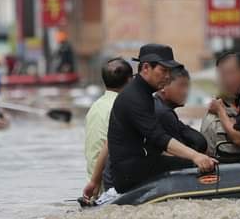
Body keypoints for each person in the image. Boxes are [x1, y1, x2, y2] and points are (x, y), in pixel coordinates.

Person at [85, 44, 217, 198]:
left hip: (136, 167)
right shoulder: (135, 97)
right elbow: (158, 137)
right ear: (146, 68)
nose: (168, 76)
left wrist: (94, 182)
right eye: (163, 70)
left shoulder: (142, 94)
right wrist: (196, 156)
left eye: (169, 71)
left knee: (183, 161)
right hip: (131, 175)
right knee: (192, 165)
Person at [84, 57, 133, 181]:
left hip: (91, 182)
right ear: (130, 80)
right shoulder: (123, 108)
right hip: (110, 183)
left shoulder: (94, 107)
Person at [155, 65, 207, 154]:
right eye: (181, 85)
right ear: (163, 86)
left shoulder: (158, 106)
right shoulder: (163, 113)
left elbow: (198, 140)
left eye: (187, 86)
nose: (185, 92)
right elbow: (182, 154)